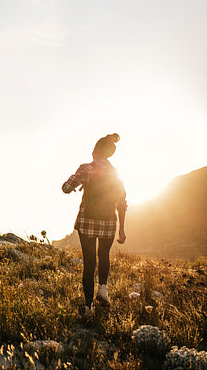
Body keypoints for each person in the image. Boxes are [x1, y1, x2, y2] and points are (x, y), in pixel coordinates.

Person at [62, 133, 127, 316]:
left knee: (89, 263)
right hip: (109, 222)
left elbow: (66, 188)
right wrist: (121, 228)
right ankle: (103, 289)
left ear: (96, 151)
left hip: (87, 221)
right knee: (104, 255)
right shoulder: (115, 173)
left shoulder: (85, 168)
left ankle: (88, 307)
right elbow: (122, 202)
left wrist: (76, 181)